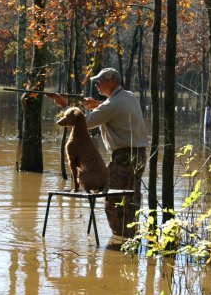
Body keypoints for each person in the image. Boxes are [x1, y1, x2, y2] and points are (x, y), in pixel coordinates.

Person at [49, 68, 148, 237]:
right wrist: (96, 104)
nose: (96, 84)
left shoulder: (112, 104)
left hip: (123, 158)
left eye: (99, 81)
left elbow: (82, 123)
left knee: (113, 202)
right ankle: (131, 240)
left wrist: (64, 105)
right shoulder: (129, 96)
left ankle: (120, 242)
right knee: (132, 198)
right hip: (139, 155)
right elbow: (116, 108)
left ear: (112, 82)